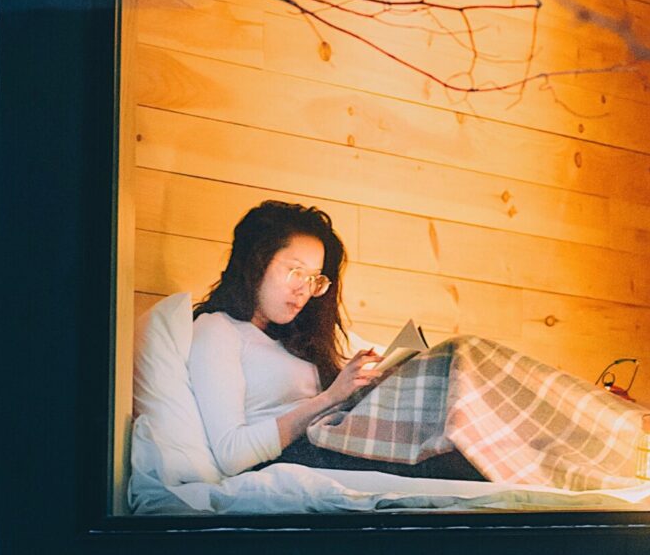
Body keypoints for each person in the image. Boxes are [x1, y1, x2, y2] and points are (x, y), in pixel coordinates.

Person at [187, 200, 486, 480]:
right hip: (292, 456)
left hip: (331, 436)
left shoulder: (299, 340)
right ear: (255, 263)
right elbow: (232, 454)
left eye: (314, 279)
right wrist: (330, 397)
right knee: (453, 456)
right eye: (295, 271)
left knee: (458, 371)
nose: (304, 290)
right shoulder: (218, 330)